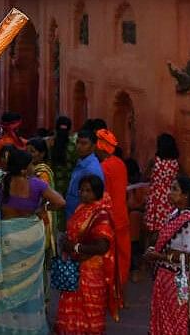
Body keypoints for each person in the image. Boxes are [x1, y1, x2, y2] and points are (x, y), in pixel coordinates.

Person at [0, 147, 65, 334]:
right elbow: (60, 202)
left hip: (6, 238)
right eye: (30, 164)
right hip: (30, 237)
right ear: (24, 169)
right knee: (32, 284)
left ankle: (7, 328)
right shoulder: (37, 185)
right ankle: (31, 327)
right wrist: (42, 208)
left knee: (7, 284)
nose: (33, 167)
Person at [147, 175, 190, 335]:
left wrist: (160, 257)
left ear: (186, 195)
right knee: (163, 319)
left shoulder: (189, 221)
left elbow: (189, 256)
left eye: (174, 189)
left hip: (178, 280)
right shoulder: (175, 214)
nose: (170, 192)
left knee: (176, 321)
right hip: (165, 278)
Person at [56, 174, 118, 335]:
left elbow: (102, 246)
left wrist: (75, 248)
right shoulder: (81, 208)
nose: (83, 194)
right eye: (81, 190)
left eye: (88, 191)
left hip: (91, 270)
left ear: (97, 192)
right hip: (75, 268)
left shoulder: (101, 214)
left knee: (89, 315)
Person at [95, 129, 132, 299]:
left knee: (108, 258)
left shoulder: (102, 168)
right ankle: (119, 291)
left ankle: (110, 292)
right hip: (122, 216)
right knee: (122, 257)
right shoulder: (120, 163)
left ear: (101, 147)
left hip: (108, 218)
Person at [145, 133, 182, 243]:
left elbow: (145, 176)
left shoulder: (155, 161)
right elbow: (182, 178)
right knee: (165, 229)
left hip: (155, 199)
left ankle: (148, 255)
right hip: (168, 198)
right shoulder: (176, 163)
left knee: (151, 231)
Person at [65, 129, 106, 218]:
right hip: (73, 216)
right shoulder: (81, 162)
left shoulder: (92, 169)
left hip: (83, 219)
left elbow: (94, 200)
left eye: (84, 143)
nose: (78, 146)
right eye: (78, 142)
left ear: (93, 146)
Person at [125, 158, 149, 283]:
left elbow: (134, 206)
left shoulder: (142, 187)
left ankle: (135, 267)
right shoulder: (132, 186)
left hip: (140, 220)